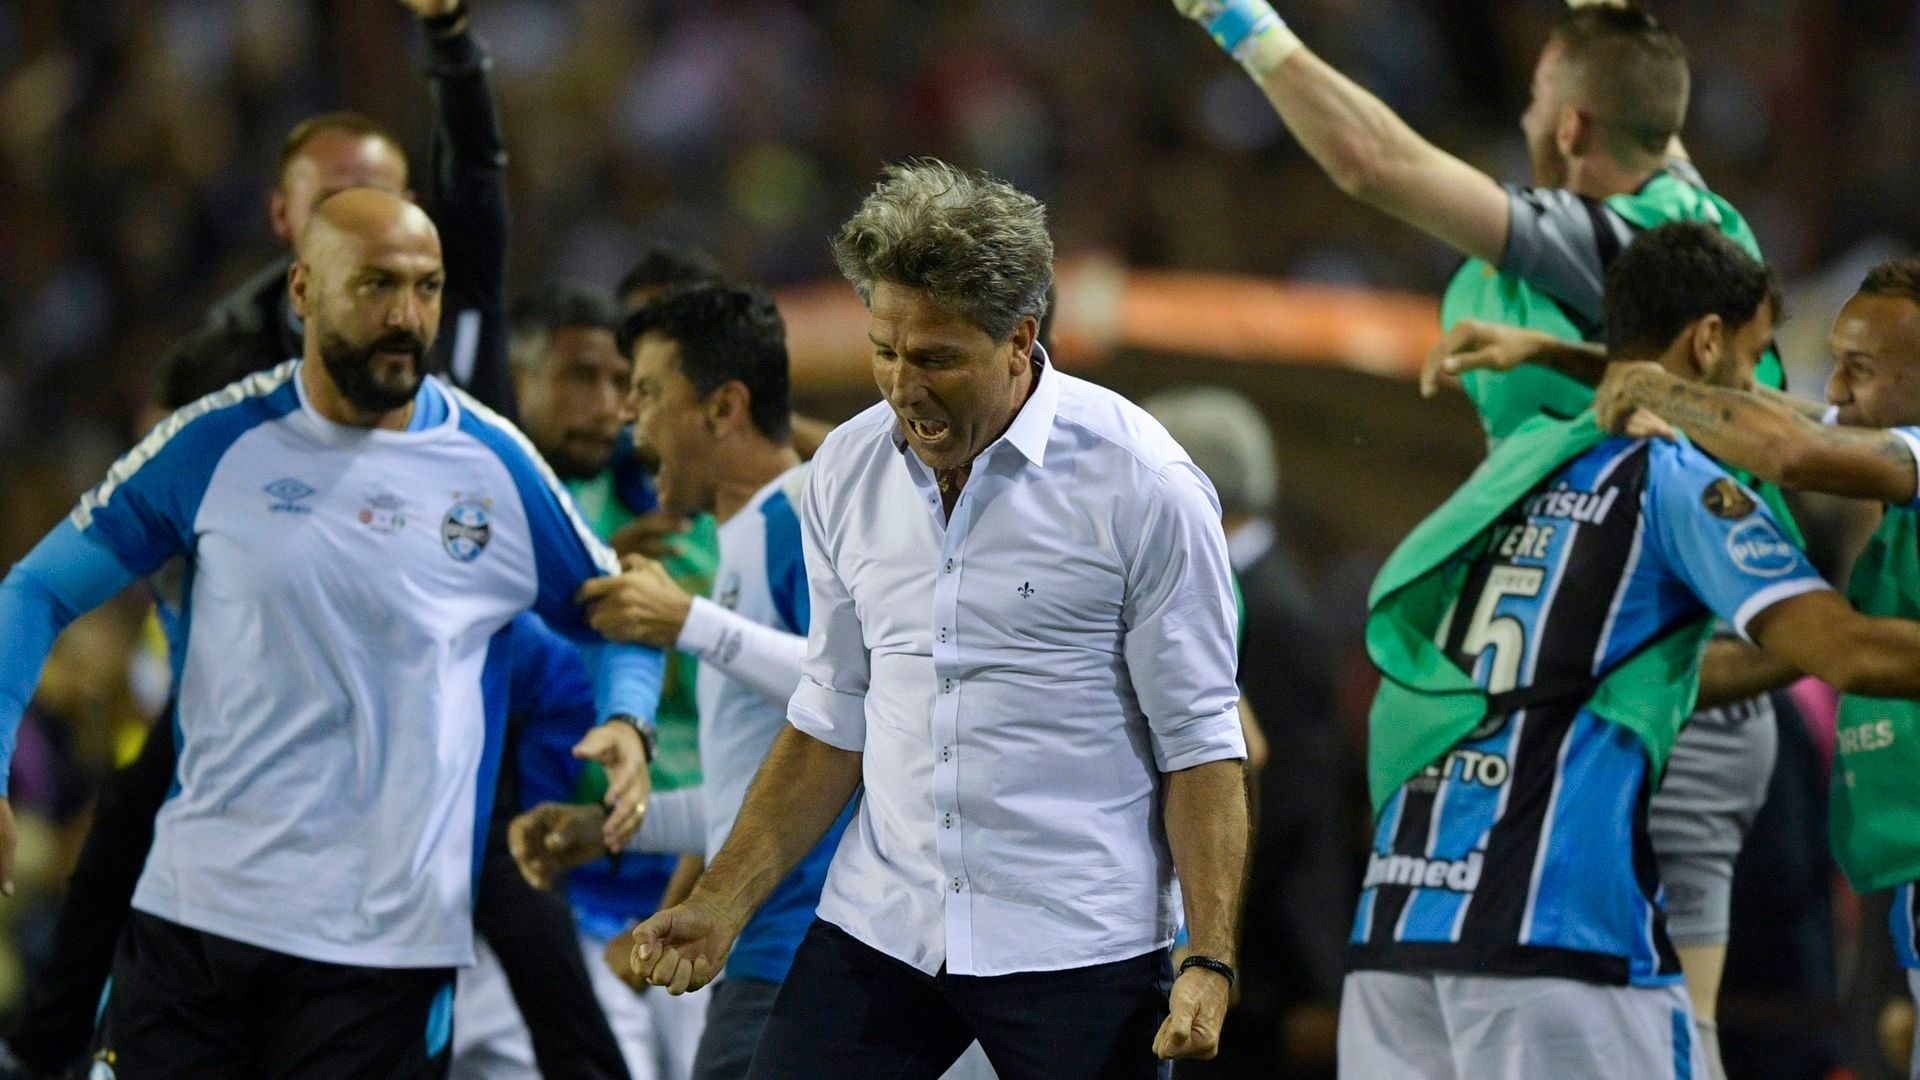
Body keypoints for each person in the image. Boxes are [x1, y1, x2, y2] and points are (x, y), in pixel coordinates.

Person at [1172, 5, 1794, 1067]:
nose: (1522, 115)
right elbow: (1647, 98)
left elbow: (1372, 161)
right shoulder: (1688, 218)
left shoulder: (1620, 238)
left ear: (1571, 125)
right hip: (1602, 658)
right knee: (1642, 1025)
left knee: (1662, 1030)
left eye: (1538, 101)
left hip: (1644, 670)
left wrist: (1242, 24)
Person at [594, 161, 1247, 1079]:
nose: (904, 387)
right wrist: (721, 902)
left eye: (937, 358)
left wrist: (1208, 958)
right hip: (883, 928)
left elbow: (1201, 744)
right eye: (885, 351)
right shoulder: (845, 472)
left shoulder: (1144, 486)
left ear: (1020, 340)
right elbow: (829, 719)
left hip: (1081, 943)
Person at [0, 188, 660, 1079]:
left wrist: (628, 720)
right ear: (304, 291)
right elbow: (35, 589)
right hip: (198, 924)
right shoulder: (212, 445)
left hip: (384, 954)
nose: (405, 316)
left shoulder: (492, 465)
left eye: (426, 289)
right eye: (376, 285)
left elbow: (620, 610)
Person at [1346, 222, 1920, 1079]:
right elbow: (1843, 641)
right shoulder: (1677, 477)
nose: (1797, 387)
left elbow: (1793, 438)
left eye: (1856, 369)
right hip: (1563, 931)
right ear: (1710, 339)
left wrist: (1578, 360)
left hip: (1398, 923)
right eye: (1761, 359)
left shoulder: (1515, 473)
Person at [451, 282, 707, 1080]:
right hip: (529, 888)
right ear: (515, 383)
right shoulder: (479, 508)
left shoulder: (683, 510)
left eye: (620, 385)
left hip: (684, 877)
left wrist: (630, 718)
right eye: (578, 378)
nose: (606, 406)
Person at [1140, 386, 1344, 1074]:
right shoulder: (1256, 585)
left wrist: (1299, 977)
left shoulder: (1268, 608)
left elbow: (1288, 795)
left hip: (1255, 958)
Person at [206, 0, 511, 409]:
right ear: (282, 216)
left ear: (411, 210)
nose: (358, 221)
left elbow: (474, 164)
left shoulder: (463, 283)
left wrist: (447, 34)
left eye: (376, 199)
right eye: (329, 201)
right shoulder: (227, 364)